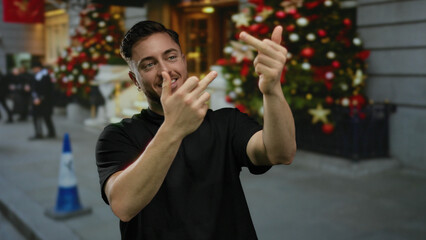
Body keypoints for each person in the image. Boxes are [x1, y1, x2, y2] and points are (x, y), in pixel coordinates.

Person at [96, 20, 296, 239]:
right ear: (135, 79)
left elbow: (280, 153)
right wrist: (173, 128)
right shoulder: (117, 136)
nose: (165, 71)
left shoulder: (226, 122)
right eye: (149, 65)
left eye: (171, 57)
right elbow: (123, 206)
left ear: (183, 61)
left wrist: (272, 89)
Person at [29, 61, 56, 140]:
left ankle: (42, 133)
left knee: (42, 117)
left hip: (43, 101)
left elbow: (46, 89)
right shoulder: (39, 75)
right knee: (44, 117)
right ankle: (47, 132)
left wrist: (40, 98)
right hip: (40, 100)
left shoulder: (45, 76)